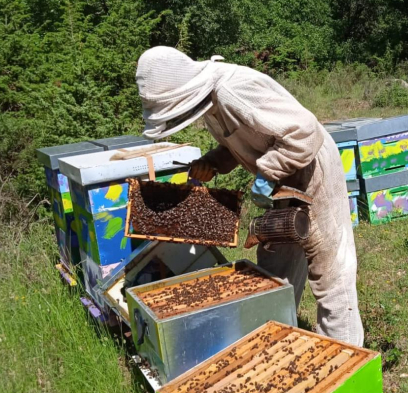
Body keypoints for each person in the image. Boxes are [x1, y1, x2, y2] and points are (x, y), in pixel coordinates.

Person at [135, 46, 364, 346]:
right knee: (276, 266)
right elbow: (247, 139)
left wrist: (266, 173)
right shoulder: (211, 101)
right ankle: (278, 340)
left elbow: (305, 134)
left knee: (330, 271)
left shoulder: (233, 90)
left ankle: (346, 357)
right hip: (282, 181)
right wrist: (213, 163)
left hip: (312, 172)